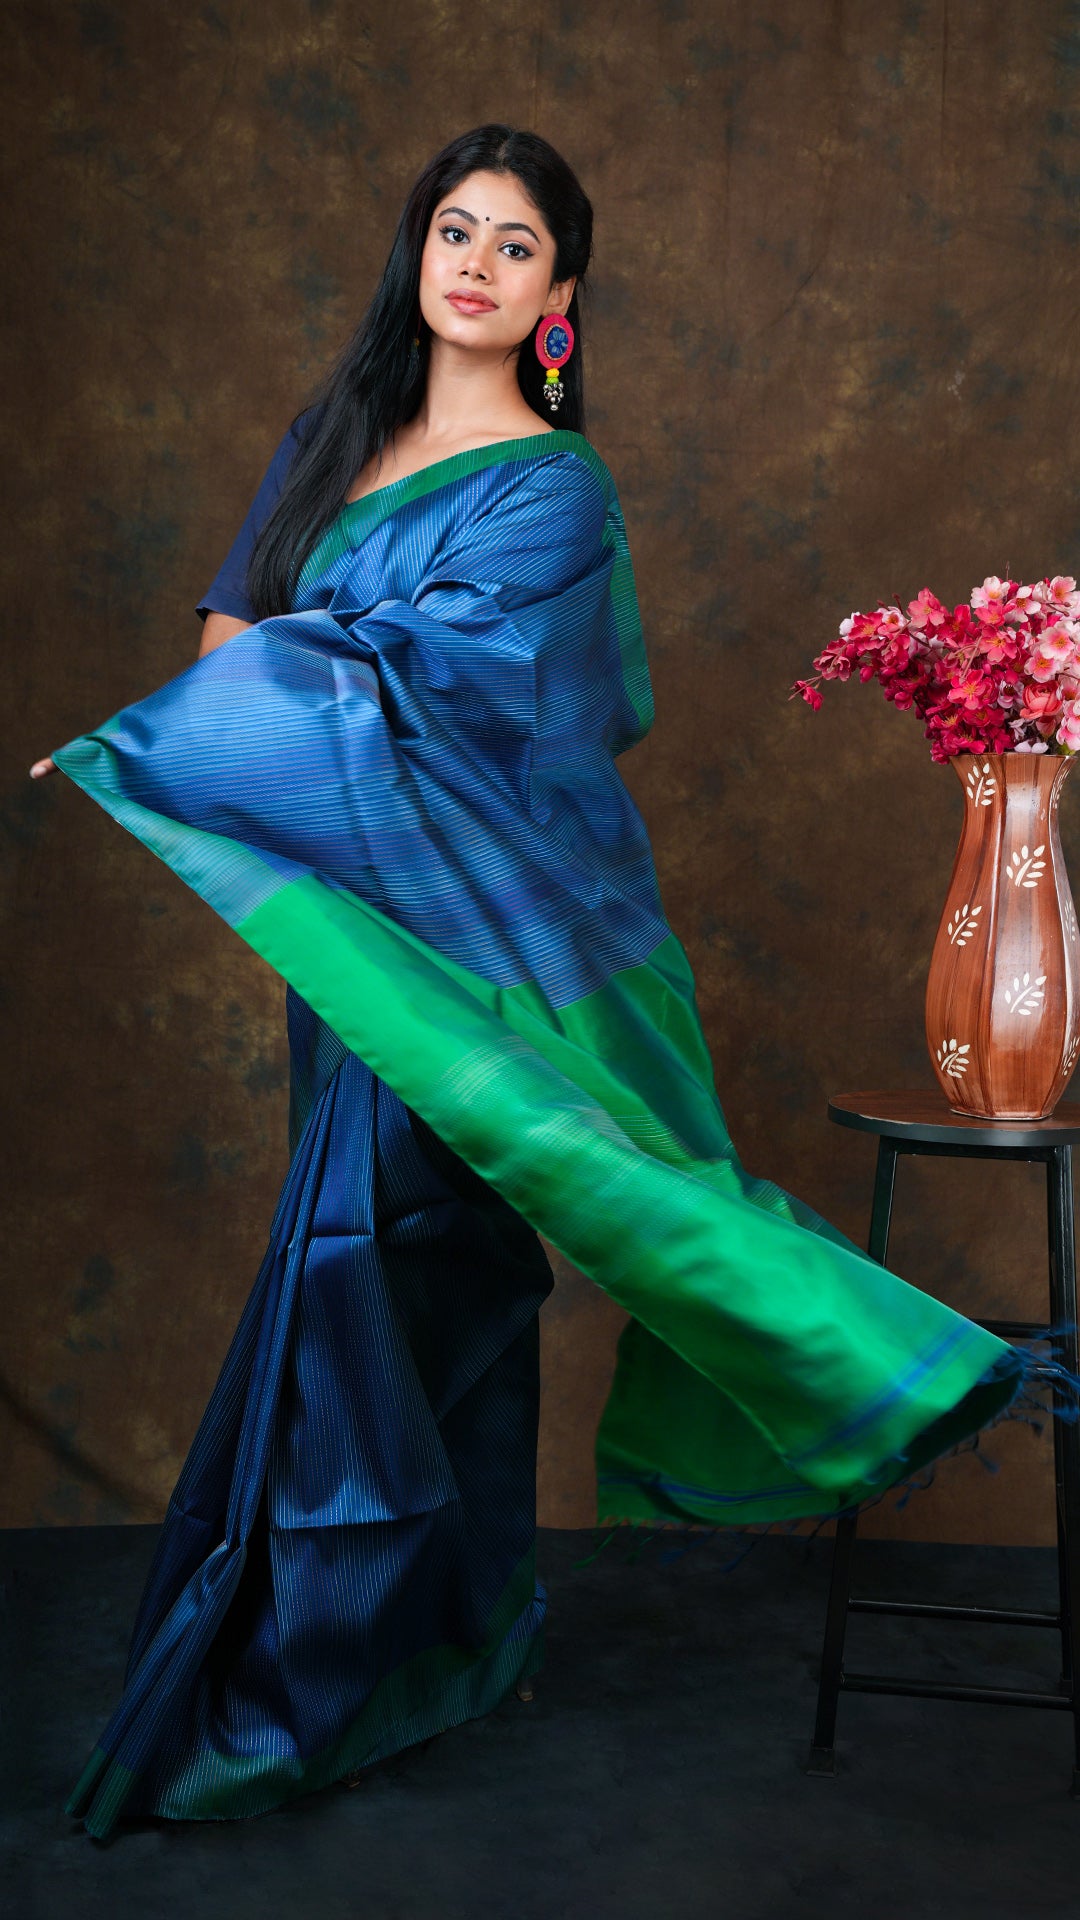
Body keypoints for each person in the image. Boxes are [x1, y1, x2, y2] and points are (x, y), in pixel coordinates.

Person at [31, 124, 1062, 1840]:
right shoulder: (331, 441)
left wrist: (305, 687)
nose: (477, 266)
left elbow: (479, 707)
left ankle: (354, 1671)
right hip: (353, 948)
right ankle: (426, 1645)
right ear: (414, 251)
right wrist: (258, 705)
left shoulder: (550, 494)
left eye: (519, 248)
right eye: (455, 230)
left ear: (562, 299)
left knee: (424, 1278)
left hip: (483, 961)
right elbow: (235, 652)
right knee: (373, 1269)